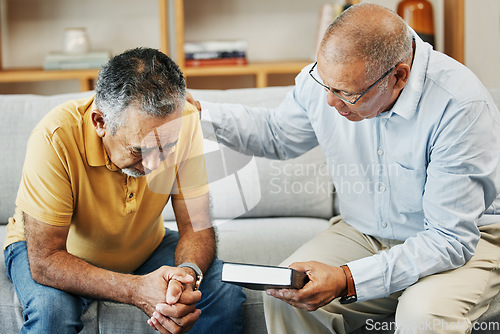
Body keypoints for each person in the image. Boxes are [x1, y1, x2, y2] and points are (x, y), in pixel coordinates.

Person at [189, 4, 500, 333]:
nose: (330, 102)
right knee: (289, 295)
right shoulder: (333, 80)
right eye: (325, 85)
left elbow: (448, 240)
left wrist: (347, 279)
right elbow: (277, 134)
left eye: (346, 94)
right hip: (364, 231)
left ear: (398, 76)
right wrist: (195, 114)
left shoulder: (460, 107)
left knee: (422, 316)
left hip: (462, 240)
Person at [3, 47, 245, 334]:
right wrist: (135, 289)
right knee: (52, 312)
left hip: (144, 246)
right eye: (139, 150)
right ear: (100, 123)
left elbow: (196, 225)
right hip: (58, 252)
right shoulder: (55, 136)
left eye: (166, 147)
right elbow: (45, 262)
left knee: (224, 293)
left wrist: (186, 275)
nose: (155, 164)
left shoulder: (185, 122)